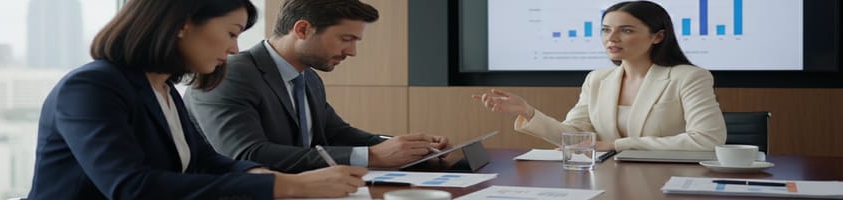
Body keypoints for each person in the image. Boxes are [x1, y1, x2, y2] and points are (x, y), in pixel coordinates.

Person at [29, 0, 367, 199]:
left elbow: (207, 160)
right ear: (183, 25)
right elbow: (130, 187)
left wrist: (261, 174)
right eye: (232, 32)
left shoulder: (162, 88)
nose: (235, 48)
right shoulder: (92, 86)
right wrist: (283, 185)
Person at [185, 0, 449, 173]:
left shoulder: (308, 77)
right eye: (346, 39)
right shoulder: (231, 74)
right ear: (302, 30)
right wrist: (373, 156)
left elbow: (336, 133)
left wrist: (409, 147)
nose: (352, 51)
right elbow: (247, 154)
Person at [473, 1, 726, 151]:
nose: (611, 38)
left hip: (669, 179)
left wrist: (617, 145)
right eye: (606, 30)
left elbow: (707, 140)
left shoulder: (689, 77)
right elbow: (574, 137)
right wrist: (528, 112)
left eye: (625, 30)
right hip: (608, 178)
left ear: (657, 37)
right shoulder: (597, 79)